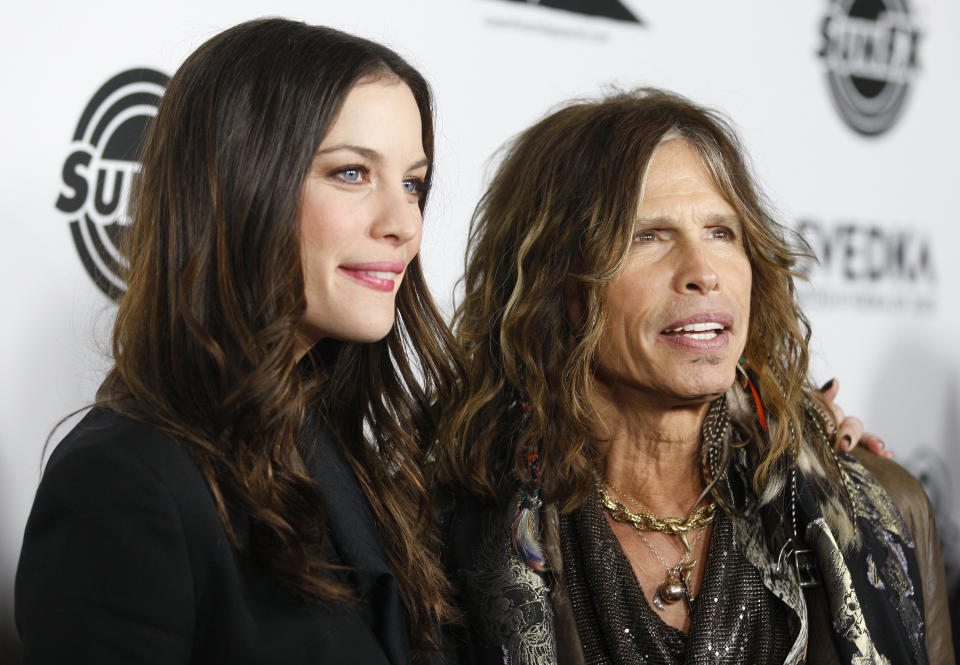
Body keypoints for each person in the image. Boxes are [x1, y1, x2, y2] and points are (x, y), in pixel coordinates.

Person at [437, 89, 952, 664]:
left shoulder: (879, 506)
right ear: (554, 282)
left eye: (722, 232)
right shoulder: (449, 528)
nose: (703, 272)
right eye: (649, 236)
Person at [16, 18, 460, 664]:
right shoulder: (121, 484)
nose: (403, 225)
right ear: (244, 185)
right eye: (352, 173)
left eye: (413, 183)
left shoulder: (346, 461)